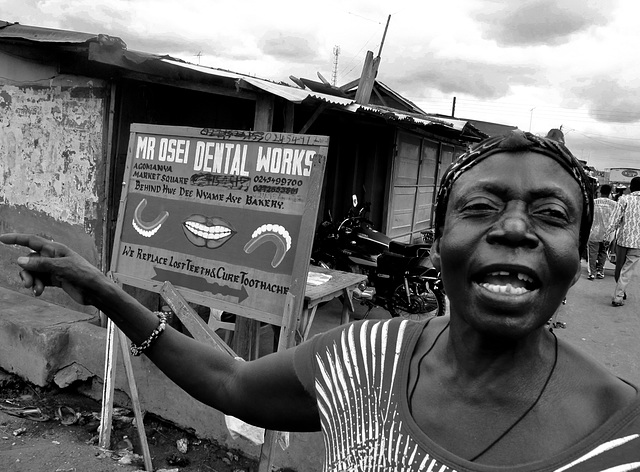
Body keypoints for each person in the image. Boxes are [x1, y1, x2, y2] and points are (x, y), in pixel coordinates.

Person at [2, 129, 639, 471]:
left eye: (551, 215)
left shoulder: (620, 438)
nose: (514, 228)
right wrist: (102, 288)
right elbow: (229, 382)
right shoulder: (367, 358)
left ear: (580, 261)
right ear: (438, 240)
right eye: (481, 208)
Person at [605, 176, 640, 306]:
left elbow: (614, 219)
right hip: (637, 243)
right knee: (627, 270)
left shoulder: (624, 199)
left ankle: (619, 294)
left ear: (631, 187)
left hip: (622, 240)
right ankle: (620, 293)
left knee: (619, 268)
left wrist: (607, 234)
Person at [587, 184, 617, 280]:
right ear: (609, 193)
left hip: (593, 232)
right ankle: (600, 271)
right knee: (603, 252)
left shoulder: (593, 202)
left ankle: (592, 273)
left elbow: (588, 216)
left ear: (600, 191)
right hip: (607, 234)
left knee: (592, 253)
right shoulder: (614, 204)